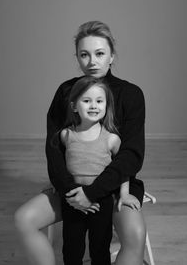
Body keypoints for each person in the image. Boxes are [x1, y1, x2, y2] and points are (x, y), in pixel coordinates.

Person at [14, 20, 146, 265]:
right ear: (77, 57)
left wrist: (92, 193)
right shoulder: (66, 92)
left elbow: (132, 155)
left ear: (112, 56)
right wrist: (70, 192)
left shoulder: (131, 94)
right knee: (24, 219)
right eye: (84, 54)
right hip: (71, 186)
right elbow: (54, 150)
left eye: (99, 53)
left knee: (135, 235)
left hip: (116, 187)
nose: (92, 61)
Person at [59, 75, 123, 265]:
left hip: (101, 200)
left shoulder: (111, 139)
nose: (93, 105)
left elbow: (122, 169)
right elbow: (62, 164)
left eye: (99, 101)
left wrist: (125, 193)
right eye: (86, 101)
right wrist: (56, 185)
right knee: (72, 247)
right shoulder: (66, 135)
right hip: (72, 198)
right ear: (74, 106)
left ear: (106, 106)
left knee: (100, 246)